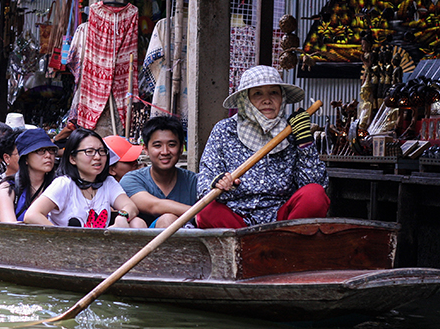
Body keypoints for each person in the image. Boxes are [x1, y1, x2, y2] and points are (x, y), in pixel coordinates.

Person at [195, 65, 329, 228]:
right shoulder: (225, 130)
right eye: (257, 93)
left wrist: (304, 141)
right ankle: (246, 248)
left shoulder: (293, 129)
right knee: (205, 210)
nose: (267, 100)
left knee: (314, 195)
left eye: (274, 92)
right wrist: (220, 184)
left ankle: (285, 244)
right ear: (245, 99)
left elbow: (316, 185)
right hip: (237, 220)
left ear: (282, 97)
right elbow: (204, 184)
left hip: (284, 222)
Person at [24, 127, 146, 228]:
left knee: (137, 223)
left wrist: (122, 218)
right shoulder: (64, 183)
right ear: (72, 158)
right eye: (89, 151)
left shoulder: (108, 182)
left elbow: (131, 207)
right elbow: (32, 215)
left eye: (101, 151)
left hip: (98, 247)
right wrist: (61, 237)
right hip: (68, 248)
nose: (97, 157)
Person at [121, 115, 198, 228]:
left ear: (181, 148)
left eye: (172, 145)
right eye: (157, 146)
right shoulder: (131, 180)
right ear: (145, 149)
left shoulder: (195, 181)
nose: (165, 151)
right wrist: (199, 213)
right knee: (168, 219)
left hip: (187, 243)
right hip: (143, 243)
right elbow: (154, 206)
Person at [0, 128, 58, 222]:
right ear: (26, 158)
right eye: (41, 150)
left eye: (51, 150)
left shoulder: (60, 185)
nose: (48, 155)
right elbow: (9, 227)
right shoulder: (8, 187)